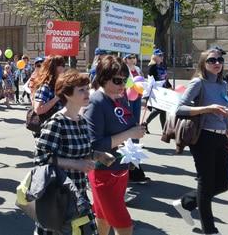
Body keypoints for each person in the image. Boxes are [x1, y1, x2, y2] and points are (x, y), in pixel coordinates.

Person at [172, 49, 228, 235]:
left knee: (223, 183)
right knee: (206, 182)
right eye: (212, 60)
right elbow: (180, 109)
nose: (217, 63)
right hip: (202, 137)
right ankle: (209, 230)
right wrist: (208, 109)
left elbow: (225, 115)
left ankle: (186, 203)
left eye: (220, 59)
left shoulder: (222, 84)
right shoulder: (198, 82)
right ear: (204, 63)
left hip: (220, 138)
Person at [84, 55, 145, 235]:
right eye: (117, 80)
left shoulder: (120, 98)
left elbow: (127, 124)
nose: (122, 84)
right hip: (103, 172)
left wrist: (137, 129)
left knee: (103, 217)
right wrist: (129, 133)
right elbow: (95, 144)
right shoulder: (96, 102)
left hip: (121, 170)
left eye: (124, 80)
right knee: (124, 224)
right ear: (103, 78)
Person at [34, 69, 97, 235]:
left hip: (79, 192)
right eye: (81, 90)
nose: (87, 93)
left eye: (87, 88)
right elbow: (41, 158)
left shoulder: (81, 120)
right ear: (67, 95)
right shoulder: (56, 123)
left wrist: (98, 156)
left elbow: (81, 152)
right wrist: (76, 164)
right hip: (59, 197)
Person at [124, 54, 150, 184]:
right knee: (130, 132)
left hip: (137, 100)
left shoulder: (138, 69)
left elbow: (142, 83)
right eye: (130, 57)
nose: (132, 59)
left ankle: (134, 167)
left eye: (134, 57)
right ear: (125, 59)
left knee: (136, 127)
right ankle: (133, 169)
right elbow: (126, 85)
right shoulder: (122, 69)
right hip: (127, 100)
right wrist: (132, 85)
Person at [144, 49, 171, 133]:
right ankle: (145, 123)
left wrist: (169, 86)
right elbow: (150, 80)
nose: (162, 57)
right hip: (156, 91)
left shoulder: (163, 66)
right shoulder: (152, 67)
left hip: (164, 90)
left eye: (162, 55)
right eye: (160, 55)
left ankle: (164, 130)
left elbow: (165, 78)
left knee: (163, 111)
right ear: (155, 57)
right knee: (158, 110)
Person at [32, 56, 65, 120]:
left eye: (63, 65)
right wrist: (57, 98)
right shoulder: (46, 87)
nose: (63, 67)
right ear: (53, 68)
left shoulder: (60, 84)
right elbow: (38, 110)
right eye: (61, 65)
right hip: (49, 125)